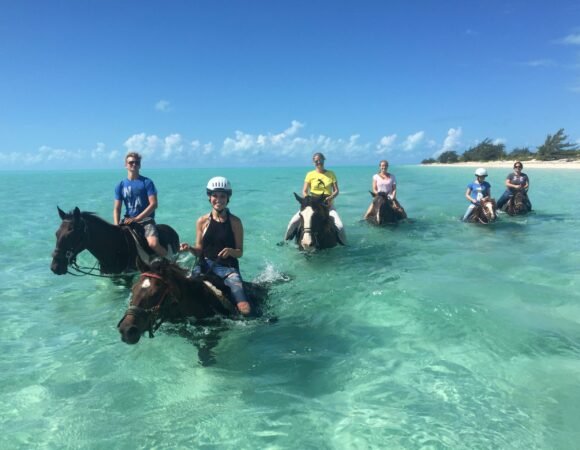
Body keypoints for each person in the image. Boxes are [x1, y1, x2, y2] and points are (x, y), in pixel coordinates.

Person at [179, 177, 251, 316]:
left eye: (222, 196)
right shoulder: (201, 221)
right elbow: (199, 250)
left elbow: (240, 252)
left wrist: (230, 251)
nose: (218, 199)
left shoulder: (235, 222)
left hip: (228, 269)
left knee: (244, 308)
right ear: (209, 197)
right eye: (214, 195)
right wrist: (190, 249)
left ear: (228, 198)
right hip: (204, 266)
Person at [285, 152, 346, 244]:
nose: (318, 162)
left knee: (340, 226)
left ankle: (345, 244)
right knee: (293, 222)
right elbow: (304, 191)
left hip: (327, 205)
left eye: (320, 160)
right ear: (313, 162)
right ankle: (285, 241)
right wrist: (308, 202)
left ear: (323, 160)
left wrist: (330, 198)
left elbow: (336, 191)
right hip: (311, 205)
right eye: (316, 161)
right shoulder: (310, 174)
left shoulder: (331, 174)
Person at [113, 152, 166, 257]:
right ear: (125, 165)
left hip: (146, 220)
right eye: (131, 162)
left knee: (153, 244)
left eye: (136, 162)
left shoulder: (147, 182)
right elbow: (117, 208)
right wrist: (116, 225)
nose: (134, 164)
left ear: (140, 165)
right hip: (128, 220)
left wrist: (137, 218)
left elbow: (153, 204)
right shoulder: (120, 185)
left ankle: (170, 260)